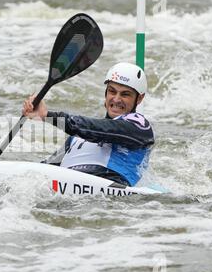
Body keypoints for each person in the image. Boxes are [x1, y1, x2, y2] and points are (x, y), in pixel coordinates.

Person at [22, 62, 154, 187]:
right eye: (112, 91)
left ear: (139, 98)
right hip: (67, 191)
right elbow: (45, 168)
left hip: (108, 197)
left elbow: (105, 130)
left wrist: (48, 116)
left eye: (125, 94)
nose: (116, 99)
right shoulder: (77, 136)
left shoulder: (140, 127)